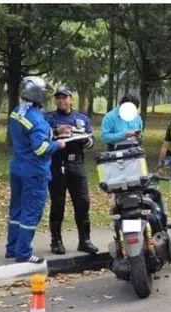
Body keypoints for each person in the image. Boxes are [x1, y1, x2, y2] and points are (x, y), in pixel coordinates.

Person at [6, 76, 70, 265]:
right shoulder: (36, 118)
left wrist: (54, 131)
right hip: (34, 172)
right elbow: (40, 148)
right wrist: (57, 144)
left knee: (16, 209)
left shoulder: (17, 111)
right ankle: (24, 253)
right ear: (37, 94)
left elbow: (27, 134)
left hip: (17, 167)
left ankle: (12, 248)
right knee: (31, 211)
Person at [44, 86, 97, 256]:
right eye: (58, 97)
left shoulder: (81, 118)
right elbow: (41, 137)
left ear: (71, 99)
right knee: (58, 203)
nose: (61, 100)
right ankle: (56, 241)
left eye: (64, 97)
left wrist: (83, 139)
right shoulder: (48, 118)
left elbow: (91, 140)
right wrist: (56, 131)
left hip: (77, 164)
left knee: (83, 201)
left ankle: (85, 240)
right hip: (57, 164)